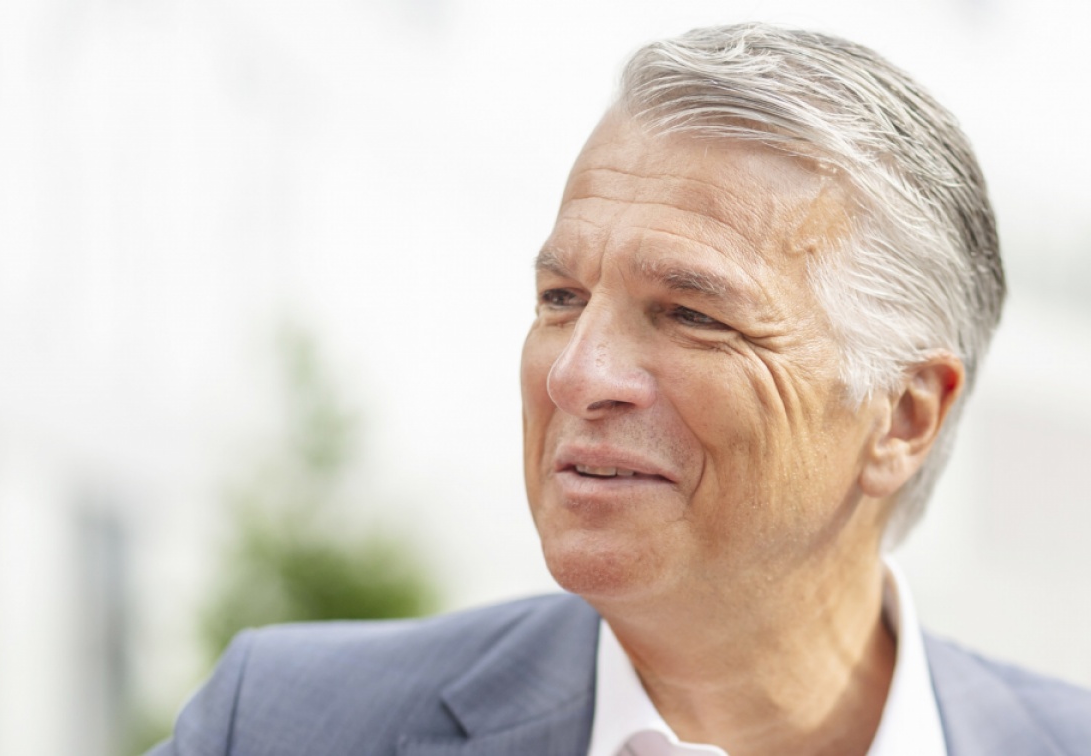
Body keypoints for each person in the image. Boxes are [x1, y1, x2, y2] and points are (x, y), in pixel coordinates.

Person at [149, 23, 1091, 756]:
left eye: (690, 313)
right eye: (561, 298)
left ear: (904, 417)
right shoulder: (278, 726)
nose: (576, 375)